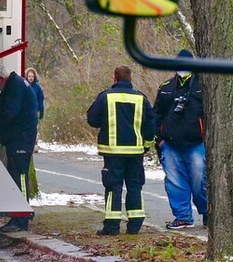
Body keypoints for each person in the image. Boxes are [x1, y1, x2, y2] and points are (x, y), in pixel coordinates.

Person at [86, 65, 155, 236]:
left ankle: (112, 226)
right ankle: (135, 225)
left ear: (114, 78)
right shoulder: (141, 98)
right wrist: (146, 145)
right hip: (135, 152)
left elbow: (92, 119)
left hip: (112, 152)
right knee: (135, 187)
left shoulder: (105, 97)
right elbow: (151, 124)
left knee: (113, 188)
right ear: (130, 79)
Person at [154, 49, 208, 230]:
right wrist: (159, 140)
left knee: (199, 180)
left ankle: (208, 212)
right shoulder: (166, 88)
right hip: (170, 143)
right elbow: (157, 115)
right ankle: (183, 216)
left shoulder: (203, 86)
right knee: (175, 181)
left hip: (196, 142)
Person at [0, 63, 38, 232]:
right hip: (18, 139)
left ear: (1, 79)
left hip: (21, 139)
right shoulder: (16, 84)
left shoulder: (15, 87)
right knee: (15, 175)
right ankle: (18, 216)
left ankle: (21, 218)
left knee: (19, 176)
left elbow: (9, 112)